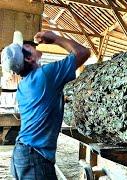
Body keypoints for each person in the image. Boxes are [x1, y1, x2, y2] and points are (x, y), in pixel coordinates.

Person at [1, 31, 90, 179]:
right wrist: (54, 38)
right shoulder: (45, 75)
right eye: (27, 47)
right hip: (34, 158)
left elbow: (45, 102)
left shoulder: (24, 85)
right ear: (29, 58)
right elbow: (83, 52)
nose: (30, 45)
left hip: (23, 155)